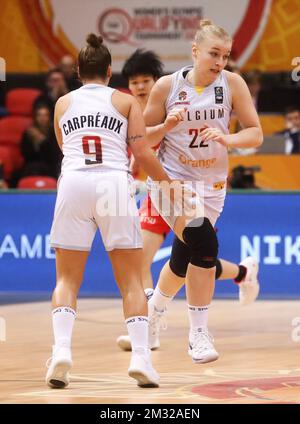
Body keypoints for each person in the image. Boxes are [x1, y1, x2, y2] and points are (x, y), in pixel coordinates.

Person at [46, 33, 176, 389]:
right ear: (109, 70)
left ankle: (61, 351)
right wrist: (168, 183)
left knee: (66, 280)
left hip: (73, 182)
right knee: (132, 281)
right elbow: (143, 152)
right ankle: (141, 360)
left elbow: (63, 145)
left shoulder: (62, 104)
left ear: (77, 71)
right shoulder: (124, 101)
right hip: (113, 185)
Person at [116, 49, 260, 352]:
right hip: (160, 188)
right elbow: (137, 150)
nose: (140, 86)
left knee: (188, 256)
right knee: (177, 251)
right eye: (134, 81)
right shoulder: (128, 108)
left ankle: (154, 314)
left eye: (145, 80)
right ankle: (159, 322)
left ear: (156, 81)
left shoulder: (176, 95)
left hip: (195, 187)